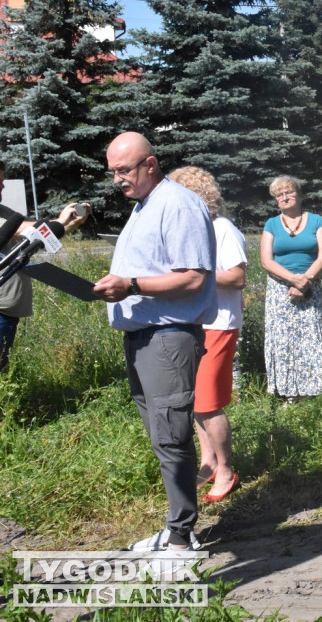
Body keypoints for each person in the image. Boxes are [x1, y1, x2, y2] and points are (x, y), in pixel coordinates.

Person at [93, 131, 217, 557]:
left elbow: (193, 277)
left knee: (171, 436)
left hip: (167, 337)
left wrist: (130, 284)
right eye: (113, 173)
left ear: (151, 164)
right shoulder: (145, 206)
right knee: (162, 436)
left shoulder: (178, 204)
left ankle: (182, 541)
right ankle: (175, 529)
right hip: (144, 337)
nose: (117, 181)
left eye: (124, 170)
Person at [168, 167, 245, 503]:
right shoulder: (193, 231)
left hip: (220, 322)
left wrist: (193, 277)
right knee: (196, 400)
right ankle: (209, 461)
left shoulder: (222, 228)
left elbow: (237, 278)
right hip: (195, 321)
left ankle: (227, 469)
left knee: (208, 402)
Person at [261, 176, 322, 399]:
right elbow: (266, 261)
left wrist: (304, 281)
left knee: (312, 340)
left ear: (299, 194)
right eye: (279, 195)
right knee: (283, 342)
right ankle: (289, 393)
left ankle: (315, 391)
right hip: (280, 289)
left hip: (310, 286)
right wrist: (292, 279)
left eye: (288, 192)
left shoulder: (316, 221)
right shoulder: (271, 224)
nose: (284, 197)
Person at [0, 167, 91, 370]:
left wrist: (70, 224)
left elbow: (35, 239)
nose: (3, 186)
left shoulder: (3, 210)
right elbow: (22, 230)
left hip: (9, 309)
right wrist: (59, 220)